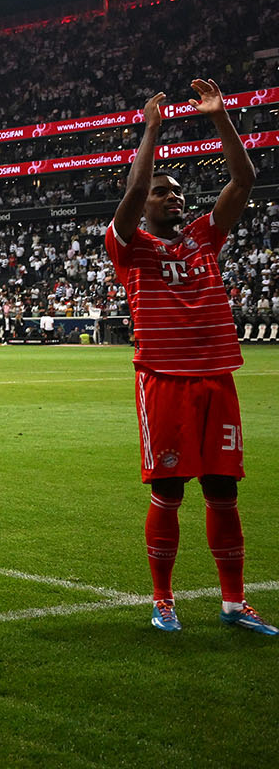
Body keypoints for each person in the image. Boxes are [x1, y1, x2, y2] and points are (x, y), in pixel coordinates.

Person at [106, 80, 275, 636]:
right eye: (163, 192)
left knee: (224, 491)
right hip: (164, 379)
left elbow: (243, 180)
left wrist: (220, 118)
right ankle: (163, 600)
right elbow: (130, 199)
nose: (173, 197)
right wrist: (151, 132)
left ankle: (233, 602)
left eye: (178, 191)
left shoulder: (204, 237)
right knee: (170, 490)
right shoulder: (128, 247)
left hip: (216, 377)